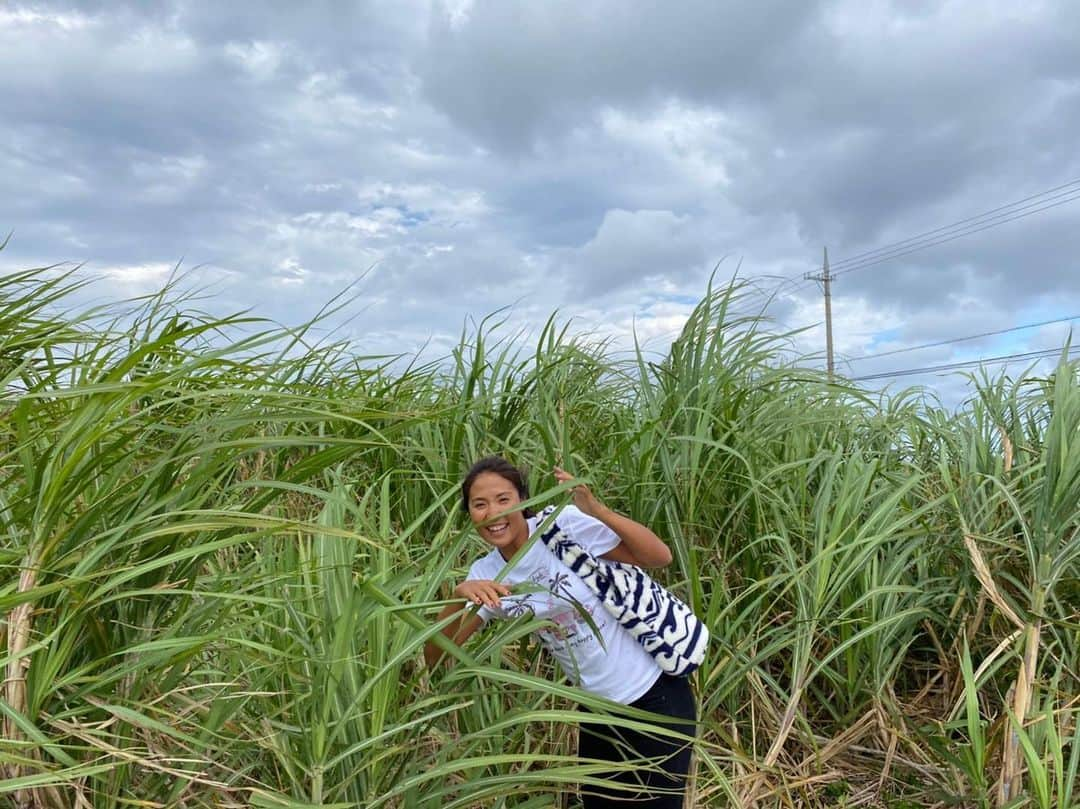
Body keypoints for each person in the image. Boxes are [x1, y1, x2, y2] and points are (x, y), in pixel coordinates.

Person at [424, 455, 697, 808]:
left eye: (503, 499)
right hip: (596, 713)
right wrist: (458, 597)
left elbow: (659, 557)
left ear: (523, 500)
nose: (492, 512)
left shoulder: (562, 527)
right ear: (470, 514)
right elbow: (436, 657)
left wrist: (597, 509)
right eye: (479, 504)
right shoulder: (487, 574)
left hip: (654, 697)